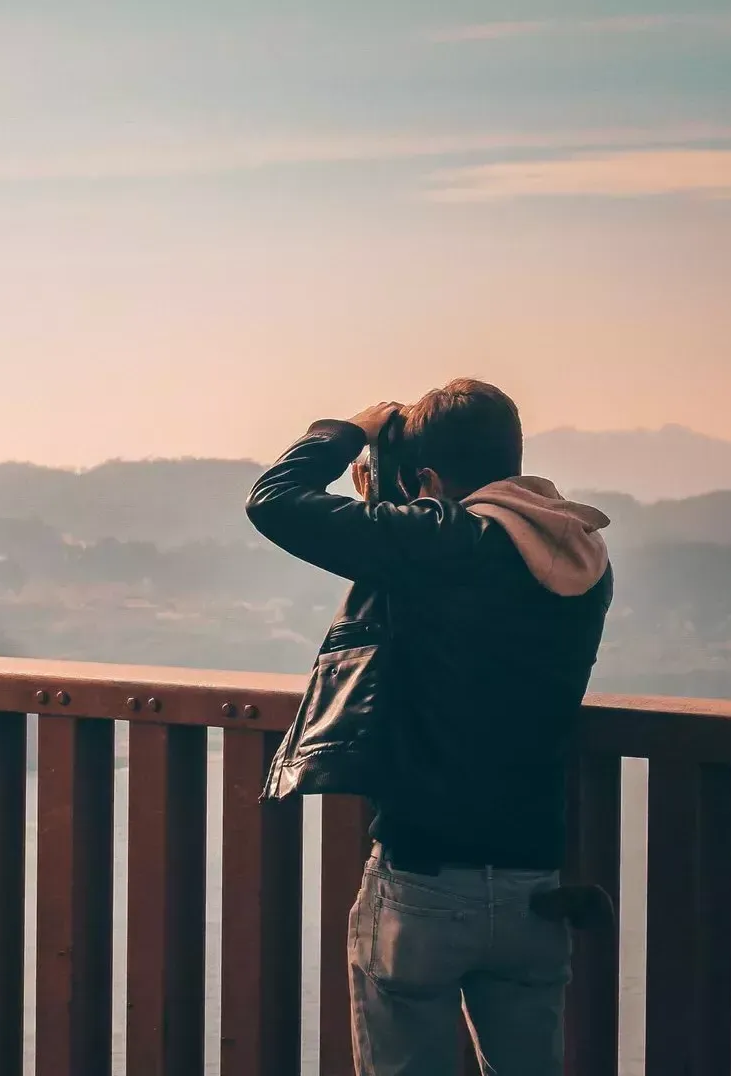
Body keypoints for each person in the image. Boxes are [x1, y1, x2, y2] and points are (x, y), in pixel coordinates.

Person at [245, 379, 612, 1076]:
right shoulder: (583, 556)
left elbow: (275, 502)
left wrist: (348, 429)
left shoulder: (441, 541)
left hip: (425, 881)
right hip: (536, 883)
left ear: (431, 481)